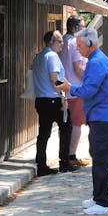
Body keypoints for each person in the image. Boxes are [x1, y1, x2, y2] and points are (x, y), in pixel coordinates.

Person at [56, 28, 108, 215]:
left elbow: (89, 90)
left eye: (80, 46)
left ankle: (104, 202)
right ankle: (98, 197)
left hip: (102, 116)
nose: (78, 50)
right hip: (99, 116)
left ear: (90, 44)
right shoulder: (96, 61)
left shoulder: (97, 63)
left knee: (102, 160)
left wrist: (69, 87)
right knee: (98, 157)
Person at [32, 30, 78, 176]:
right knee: (66, 129)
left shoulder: (39, 56)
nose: (62, 44)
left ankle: (41, 165)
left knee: (44, 133)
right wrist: (63, 97)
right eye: (60, 41)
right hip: (53, 99)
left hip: (41, 99)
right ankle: (64, 163)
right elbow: (54, 79)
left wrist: (71, 87)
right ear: (51, 42)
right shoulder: (52, 56)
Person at [59, 15, 90, 168]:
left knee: (67, 126)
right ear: (75, 28)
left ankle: (66, 155)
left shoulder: (63, 41)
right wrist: (90, 80)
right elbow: (78, 68)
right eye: (83, 26)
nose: (85, 29)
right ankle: (71, 156)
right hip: (75, 88)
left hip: (64, 88)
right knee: (77, 124)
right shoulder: (74, 43)